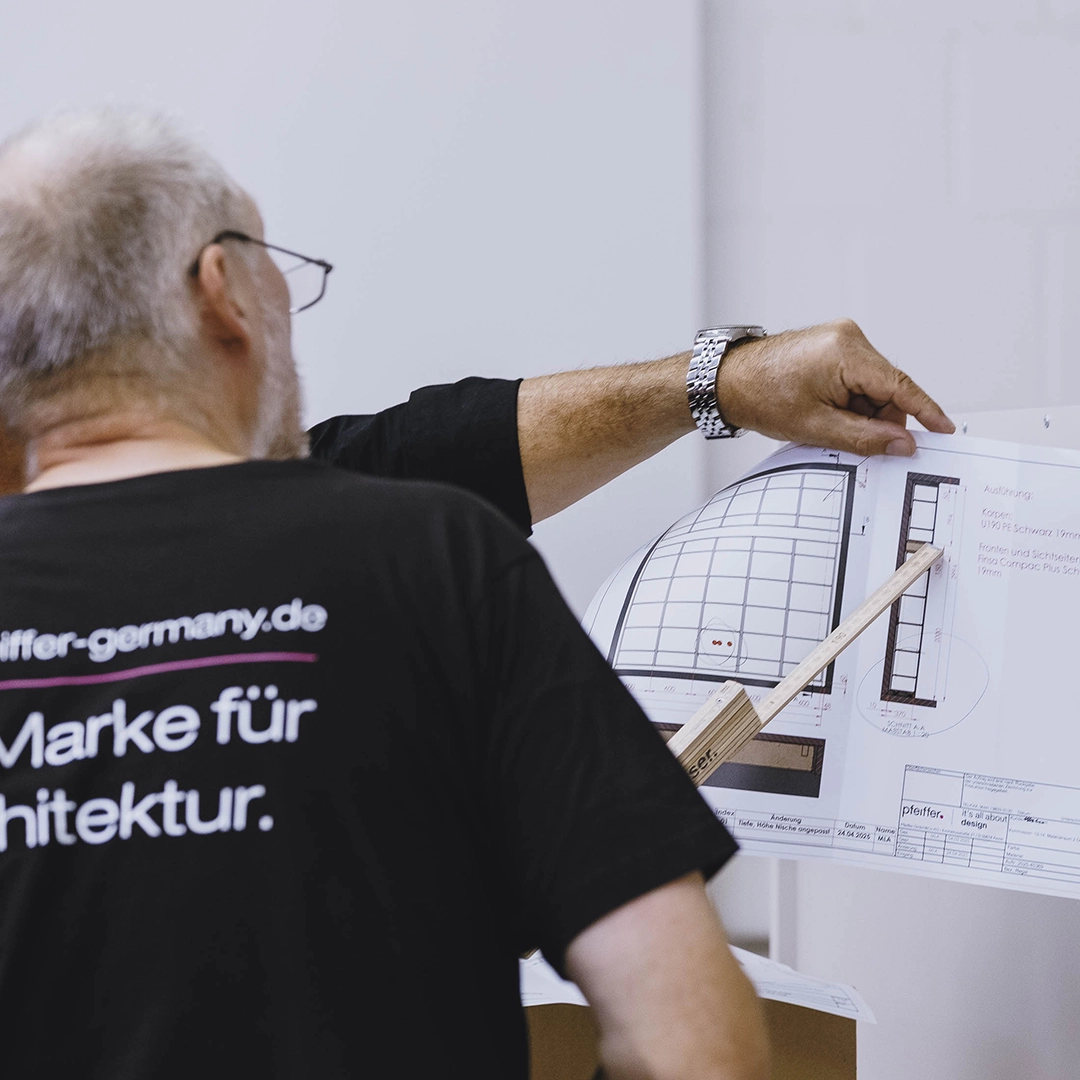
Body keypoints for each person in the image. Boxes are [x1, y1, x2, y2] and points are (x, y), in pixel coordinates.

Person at [0, 111, 786, 1079]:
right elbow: (696, 1049)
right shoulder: (438, 564)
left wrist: (719, 383)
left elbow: (413, 445)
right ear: (220, 292)